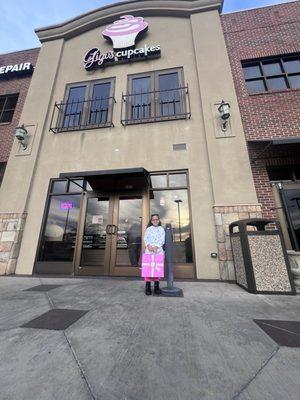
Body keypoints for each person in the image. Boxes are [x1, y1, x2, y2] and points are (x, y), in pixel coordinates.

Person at [143, 214, 165, 295]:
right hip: (149, 251)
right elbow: (145, 238)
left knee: (157, 270)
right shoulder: (148, 229)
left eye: (156, 219)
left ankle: (156, 287)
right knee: (148, 270)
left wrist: (156, 246)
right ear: (151, 221)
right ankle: (148, 286)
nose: (155, 221)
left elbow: (162, 239)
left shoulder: (161, 229)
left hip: (158, 251)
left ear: (159, 220)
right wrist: (148, 245)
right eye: (153, 219)